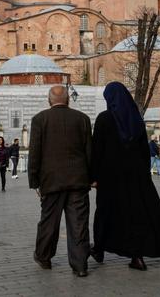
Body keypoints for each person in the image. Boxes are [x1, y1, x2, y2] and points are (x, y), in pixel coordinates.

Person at [90, 82, 160, 270]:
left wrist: (93, 176)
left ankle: (99, 248)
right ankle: (137, 257)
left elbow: (97, 150)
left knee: (106, 212)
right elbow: (144, 150)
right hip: (136, 176)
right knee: (135, 214)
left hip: (110, 176)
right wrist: (144, 172)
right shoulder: (135, 119)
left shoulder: (104, 119)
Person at [29, 85, 92, 277]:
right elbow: (89, 151)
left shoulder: (40, 119)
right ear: (68, 99)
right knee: (78, 223)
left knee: (48, 221)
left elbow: (35, 153)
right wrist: (92, 177)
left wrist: (34, 181)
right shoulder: (82, 119)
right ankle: (80, 265)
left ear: (49, 101)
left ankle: (44, 257)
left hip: (50, 181)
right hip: (78, 180)